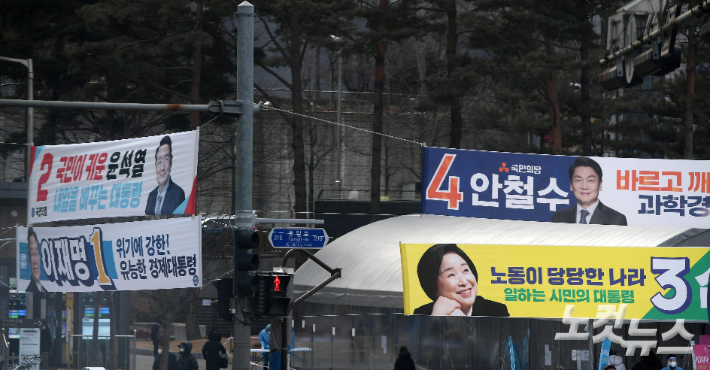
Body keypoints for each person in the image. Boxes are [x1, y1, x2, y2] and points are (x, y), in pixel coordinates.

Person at [413, 244, 509, 316]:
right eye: (451, 275)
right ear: (433, 286)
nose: (464, 282)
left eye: (465, 270)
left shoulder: (496, 311)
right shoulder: (422, 314)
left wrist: (462, 322)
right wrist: (437, 318)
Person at [551, 157, 627, 225]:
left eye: (590, 180)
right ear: (571, 185)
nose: (584, 186)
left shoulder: (616, 220)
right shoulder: (558, 217)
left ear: (600, 185)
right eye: (578, 180)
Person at [145, 135, 185, 215]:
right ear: (155, 165)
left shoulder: (178, 194)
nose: (162, 168)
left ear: (171, 162)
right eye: (159, 161)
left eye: (166, 159)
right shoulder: (151, 196)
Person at [25, 228, 46, 293]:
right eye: (32, 255)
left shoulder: (44, 288)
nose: (35, 262)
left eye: (36, 254)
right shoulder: (30, 289)